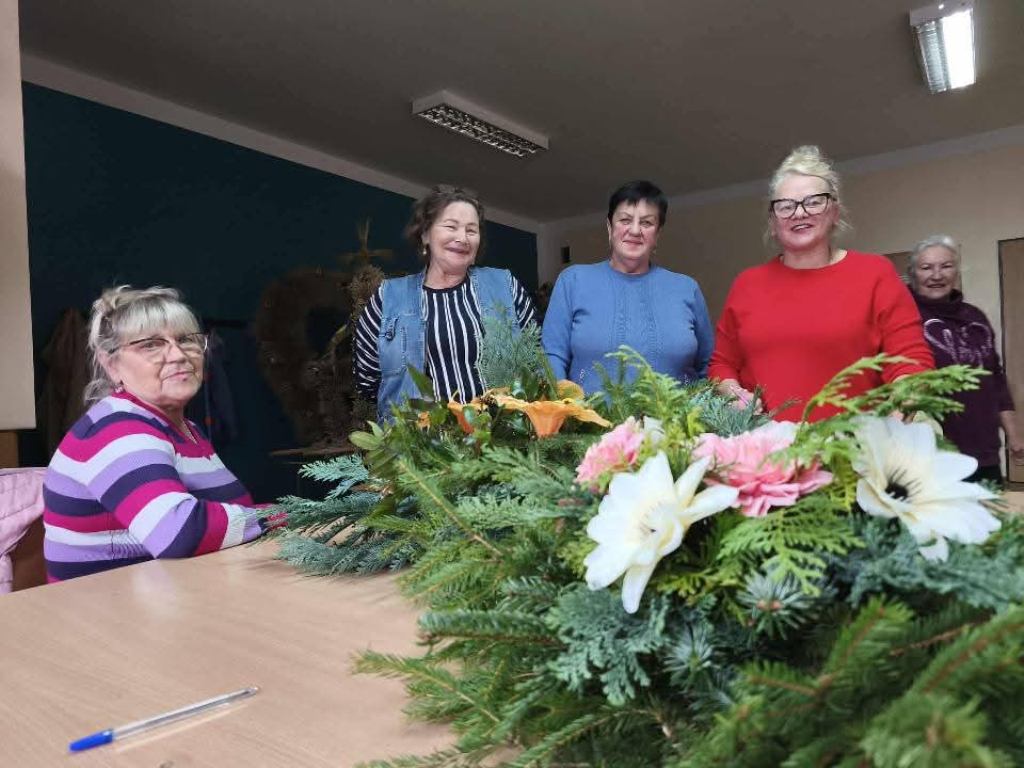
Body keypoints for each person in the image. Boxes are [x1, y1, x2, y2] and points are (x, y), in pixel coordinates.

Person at [42, 286, 282, 582]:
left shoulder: (186, 429)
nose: (178, 355)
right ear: (111, 364)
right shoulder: (116, 429)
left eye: (186, 340)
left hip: (176, 589)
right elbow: (176, 532)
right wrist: (286, 515)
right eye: (151, 345)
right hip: (108, 605)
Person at [709, 145, 934, 421]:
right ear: (773, 221)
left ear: (835, 211)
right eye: (786, 206)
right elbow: (722, 363)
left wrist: (895, 420)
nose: (799, 213)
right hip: (766, 445)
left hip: (854, 443)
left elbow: (911, 361)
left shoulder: (875, 273)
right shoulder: (747, 284)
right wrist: (732, 393)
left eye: (814, 202)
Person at [353, 185, 536, 419]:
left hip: (501, 434)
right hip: (419, 437)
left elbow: (535, 361)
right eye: (451, 226)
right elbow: (368, 378)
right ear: (425, 235)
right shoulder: (388, 297)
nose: (462, 238)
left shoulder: (505, 286)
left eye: (472, 230)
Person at [542, 180, 713, 393]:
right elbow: (552, 357)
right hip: (587, 415)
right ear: (609, 227)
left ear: (657, 234)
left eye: (647, 223)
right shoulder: (573, 281)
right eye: (625, 220)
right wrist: (561, 406)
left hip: (677, 415)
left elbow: (709, 365)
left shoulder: (687, 289)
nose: (635, 230)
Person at [908, 234, 1024, 483]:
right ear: (913, 273)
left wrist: (1014, 434)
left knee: (989, 508)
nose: (937, 275)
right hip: (931, 453)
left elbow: (995, 378)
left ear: (957, 271)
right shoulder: (903, 316)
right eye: (926, 267)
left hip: (984, 451)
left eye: (946, 266)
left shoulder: (975, 318)